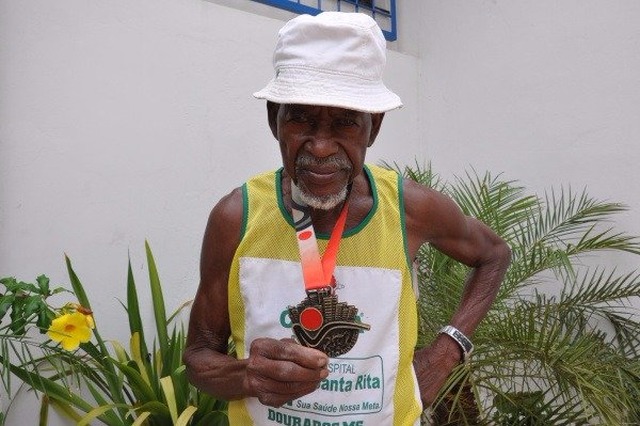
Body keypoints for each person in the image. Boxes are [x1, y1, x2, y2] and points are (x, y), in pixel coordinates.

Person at [184, 11, 511, 426]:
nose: (320, 147)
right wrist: (246, 374)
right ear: (274, 121)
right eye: (300, 117)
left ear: (373, 128)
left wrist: (447, 350)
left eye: (345, 123)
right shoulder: (236, 216)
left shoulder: (410, 209)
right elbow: (199, 357)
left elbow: (494, 254)